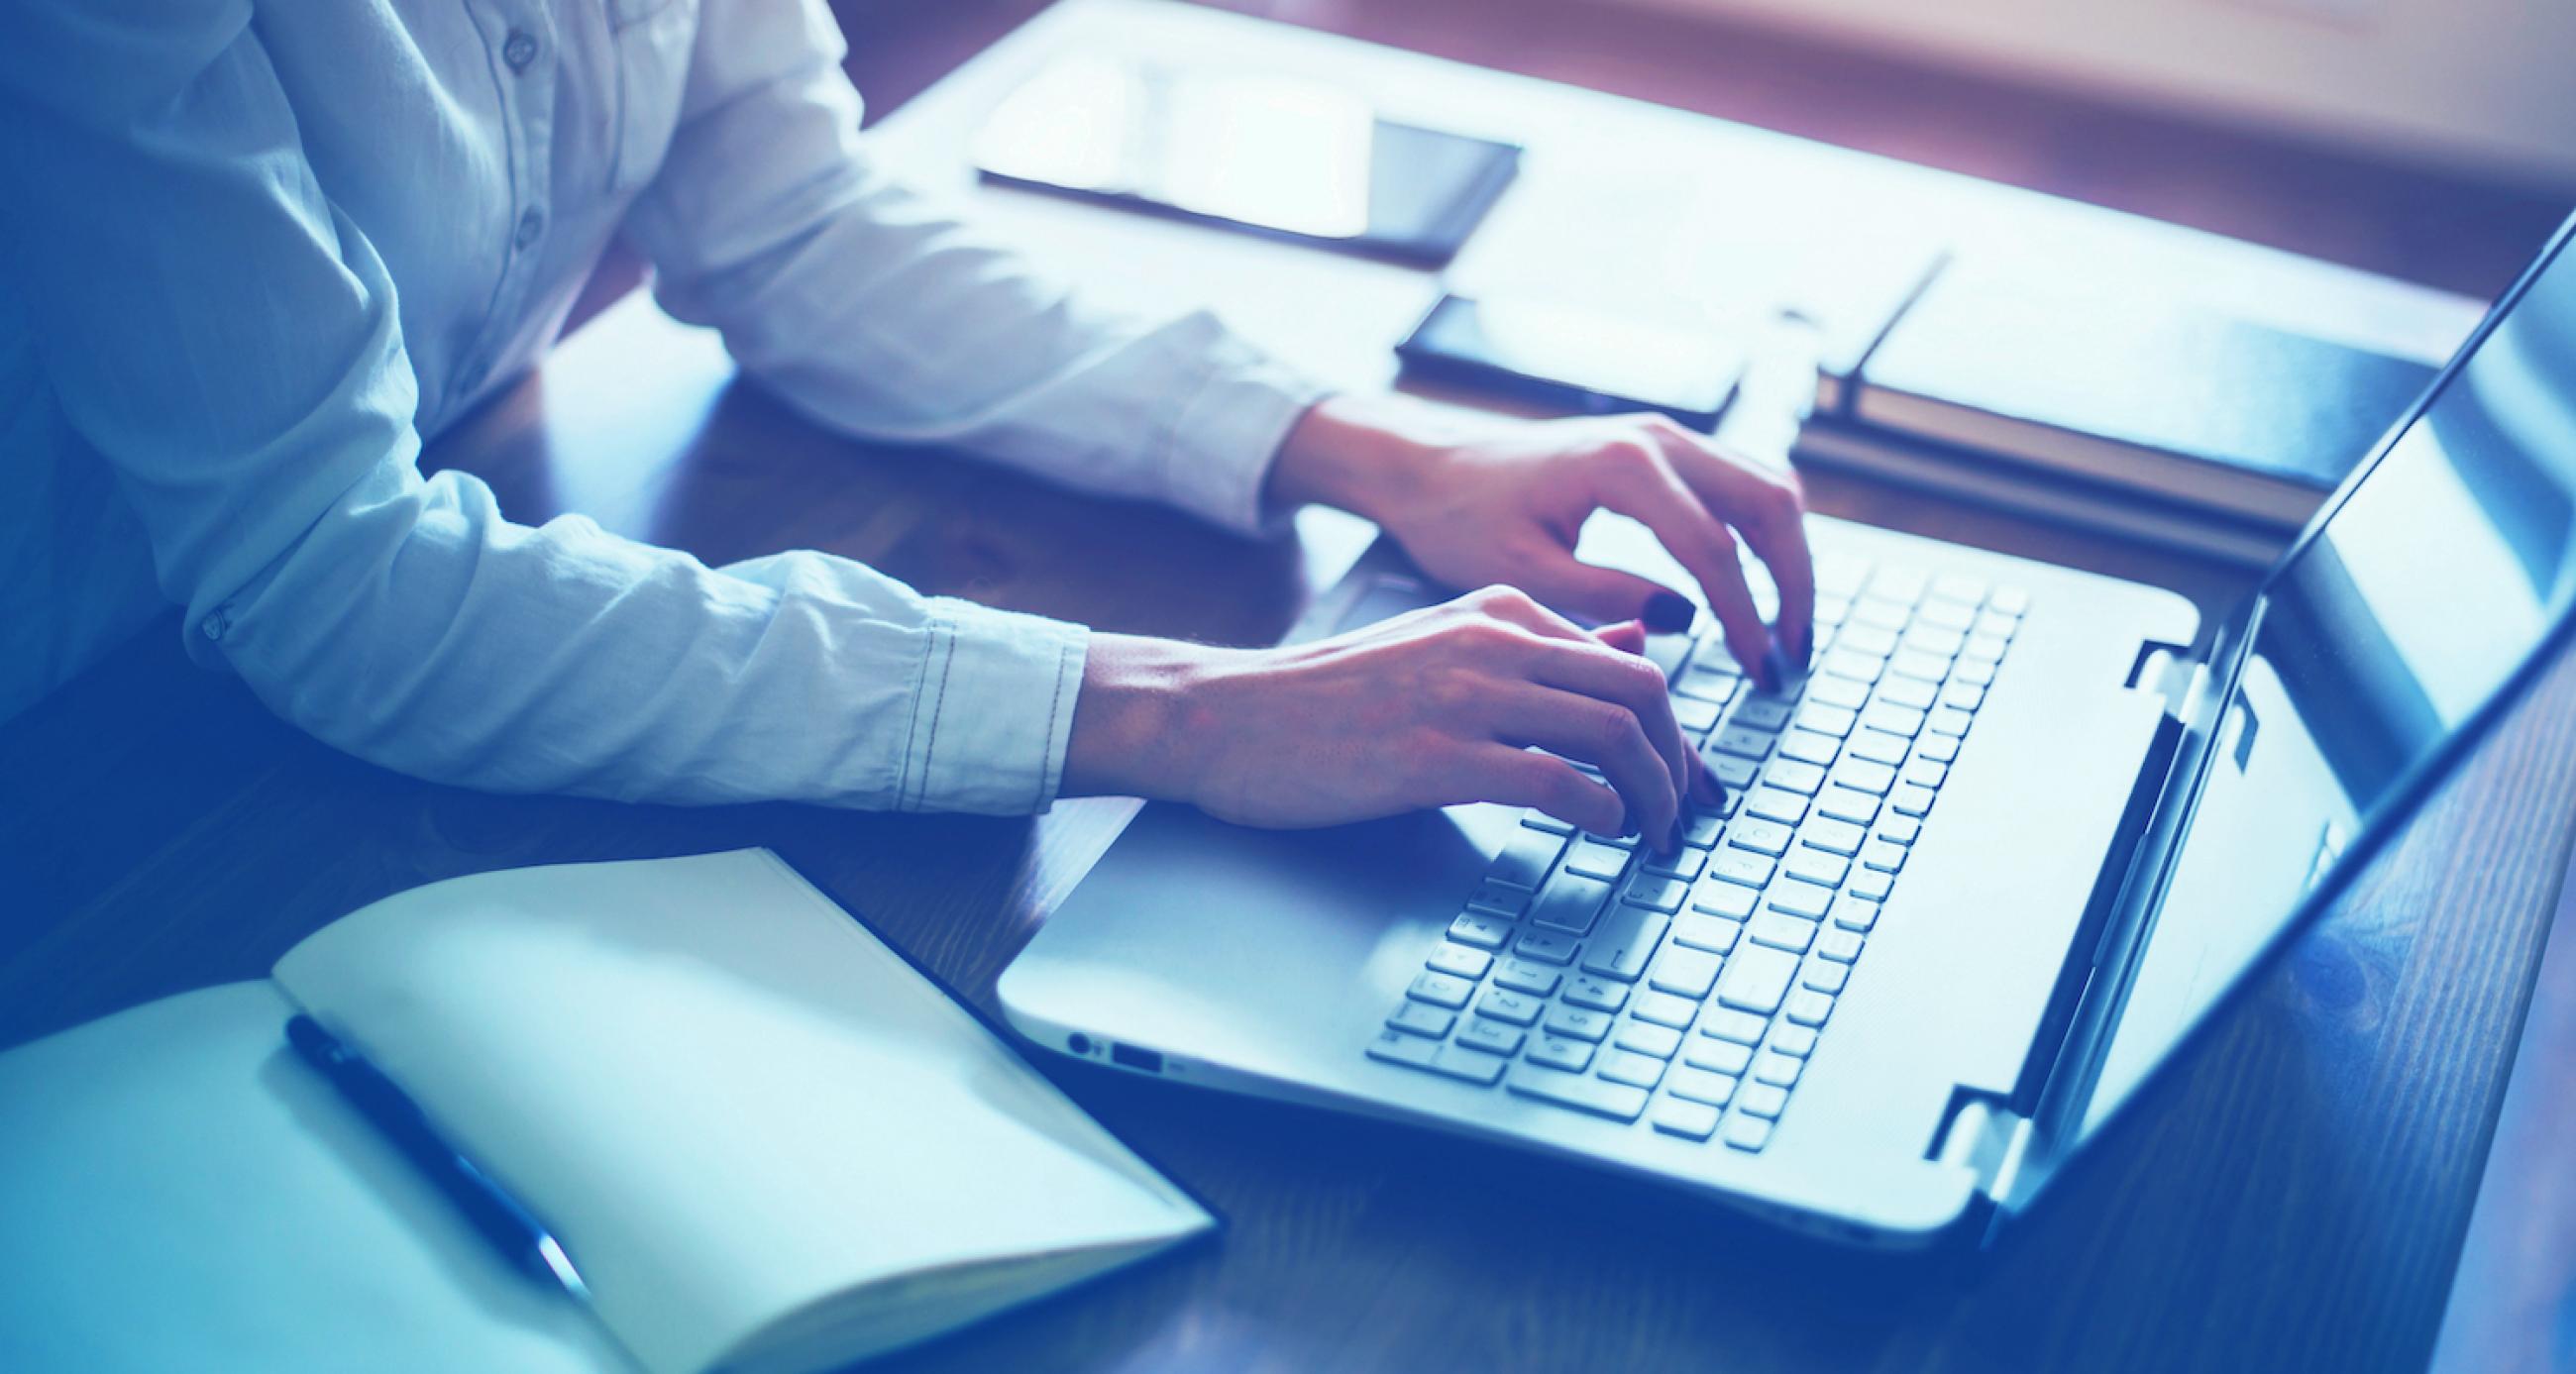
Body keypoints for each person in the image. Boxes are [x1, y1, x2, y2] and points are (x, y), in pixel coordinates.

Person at [0, 0, 1810, 854]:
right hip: (84, 783)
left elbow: (791, 221)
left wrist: (1368, 450)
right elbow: (339, 581)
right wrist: (1177, 712)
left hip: (355, 685)